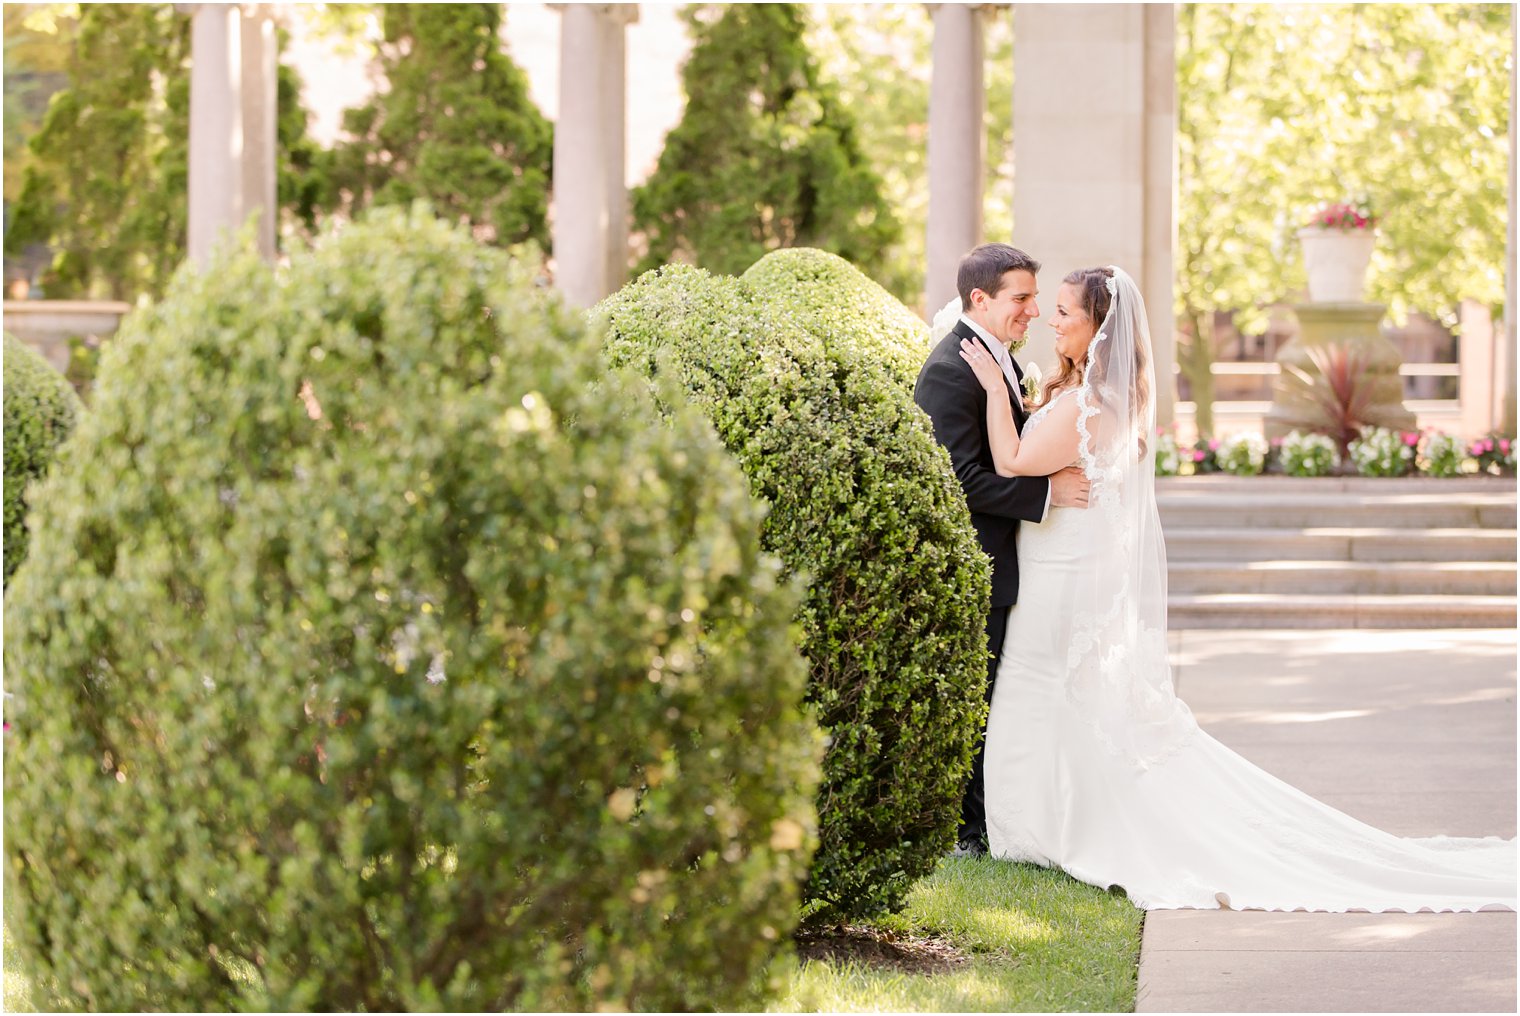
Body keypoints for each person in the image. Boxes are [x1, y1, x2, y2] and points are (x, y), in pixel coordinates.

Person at [956, 263, 1515, 911]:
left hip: (1064, 573)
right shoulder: (1096, 398)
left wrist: (997, 394)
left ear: (1098, 326)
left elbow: (1014, 462)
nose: (1052, 321)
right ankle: (1040, 821)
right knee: (1050, 690)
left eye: (1064, 312)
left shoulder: (1089, 404)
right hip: (1064, 560)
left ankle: (1051, 824)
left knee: (1047, 685)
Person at [913, 243, 1091, 857]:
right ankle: (968, 831)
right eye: (1021, 299)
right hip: (976, 562)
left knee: (997, 694)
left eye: (1037, 299)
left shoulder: (998, 362)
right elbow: (956, 477)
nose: (1034, 312)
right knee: (978, 696)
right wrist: (1047, 493)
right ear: (980, 300)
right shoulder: (949, 371)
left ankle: (991, 821)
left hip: (1016, 561)